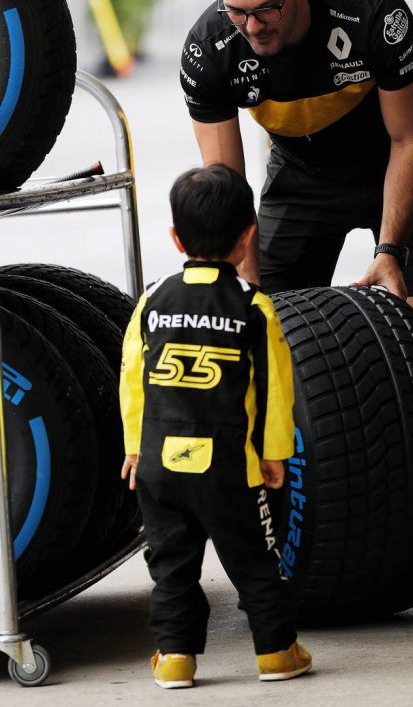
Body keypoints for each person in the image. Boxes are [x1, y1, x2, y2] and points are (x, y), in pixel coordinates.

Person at [180, 0, 413, 599]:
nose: (251, 26)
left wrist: (389, 251)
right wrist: (245, 292)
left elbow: (410, 141)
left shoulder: (371, 11)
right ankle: (287, 523)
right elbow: (227, 193)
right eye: (236, 10)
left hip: (403, 163)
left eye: (265, 8)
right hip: (301, 180)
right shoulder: (210, 47)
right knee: (272, 340)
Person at [120, 164, 312, 688]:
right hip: (230, 467)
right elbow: (276, 391)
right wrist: (274, 454)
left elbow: (132, 379)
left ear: (176, 238)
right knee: (255, 560)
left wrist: (135, 447)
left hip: (159, 464)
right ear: (249, 234)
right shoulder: (254, 306)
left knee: (172, 566)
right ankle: (276, 652)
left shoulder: (152, 301)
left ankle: (176, 657)